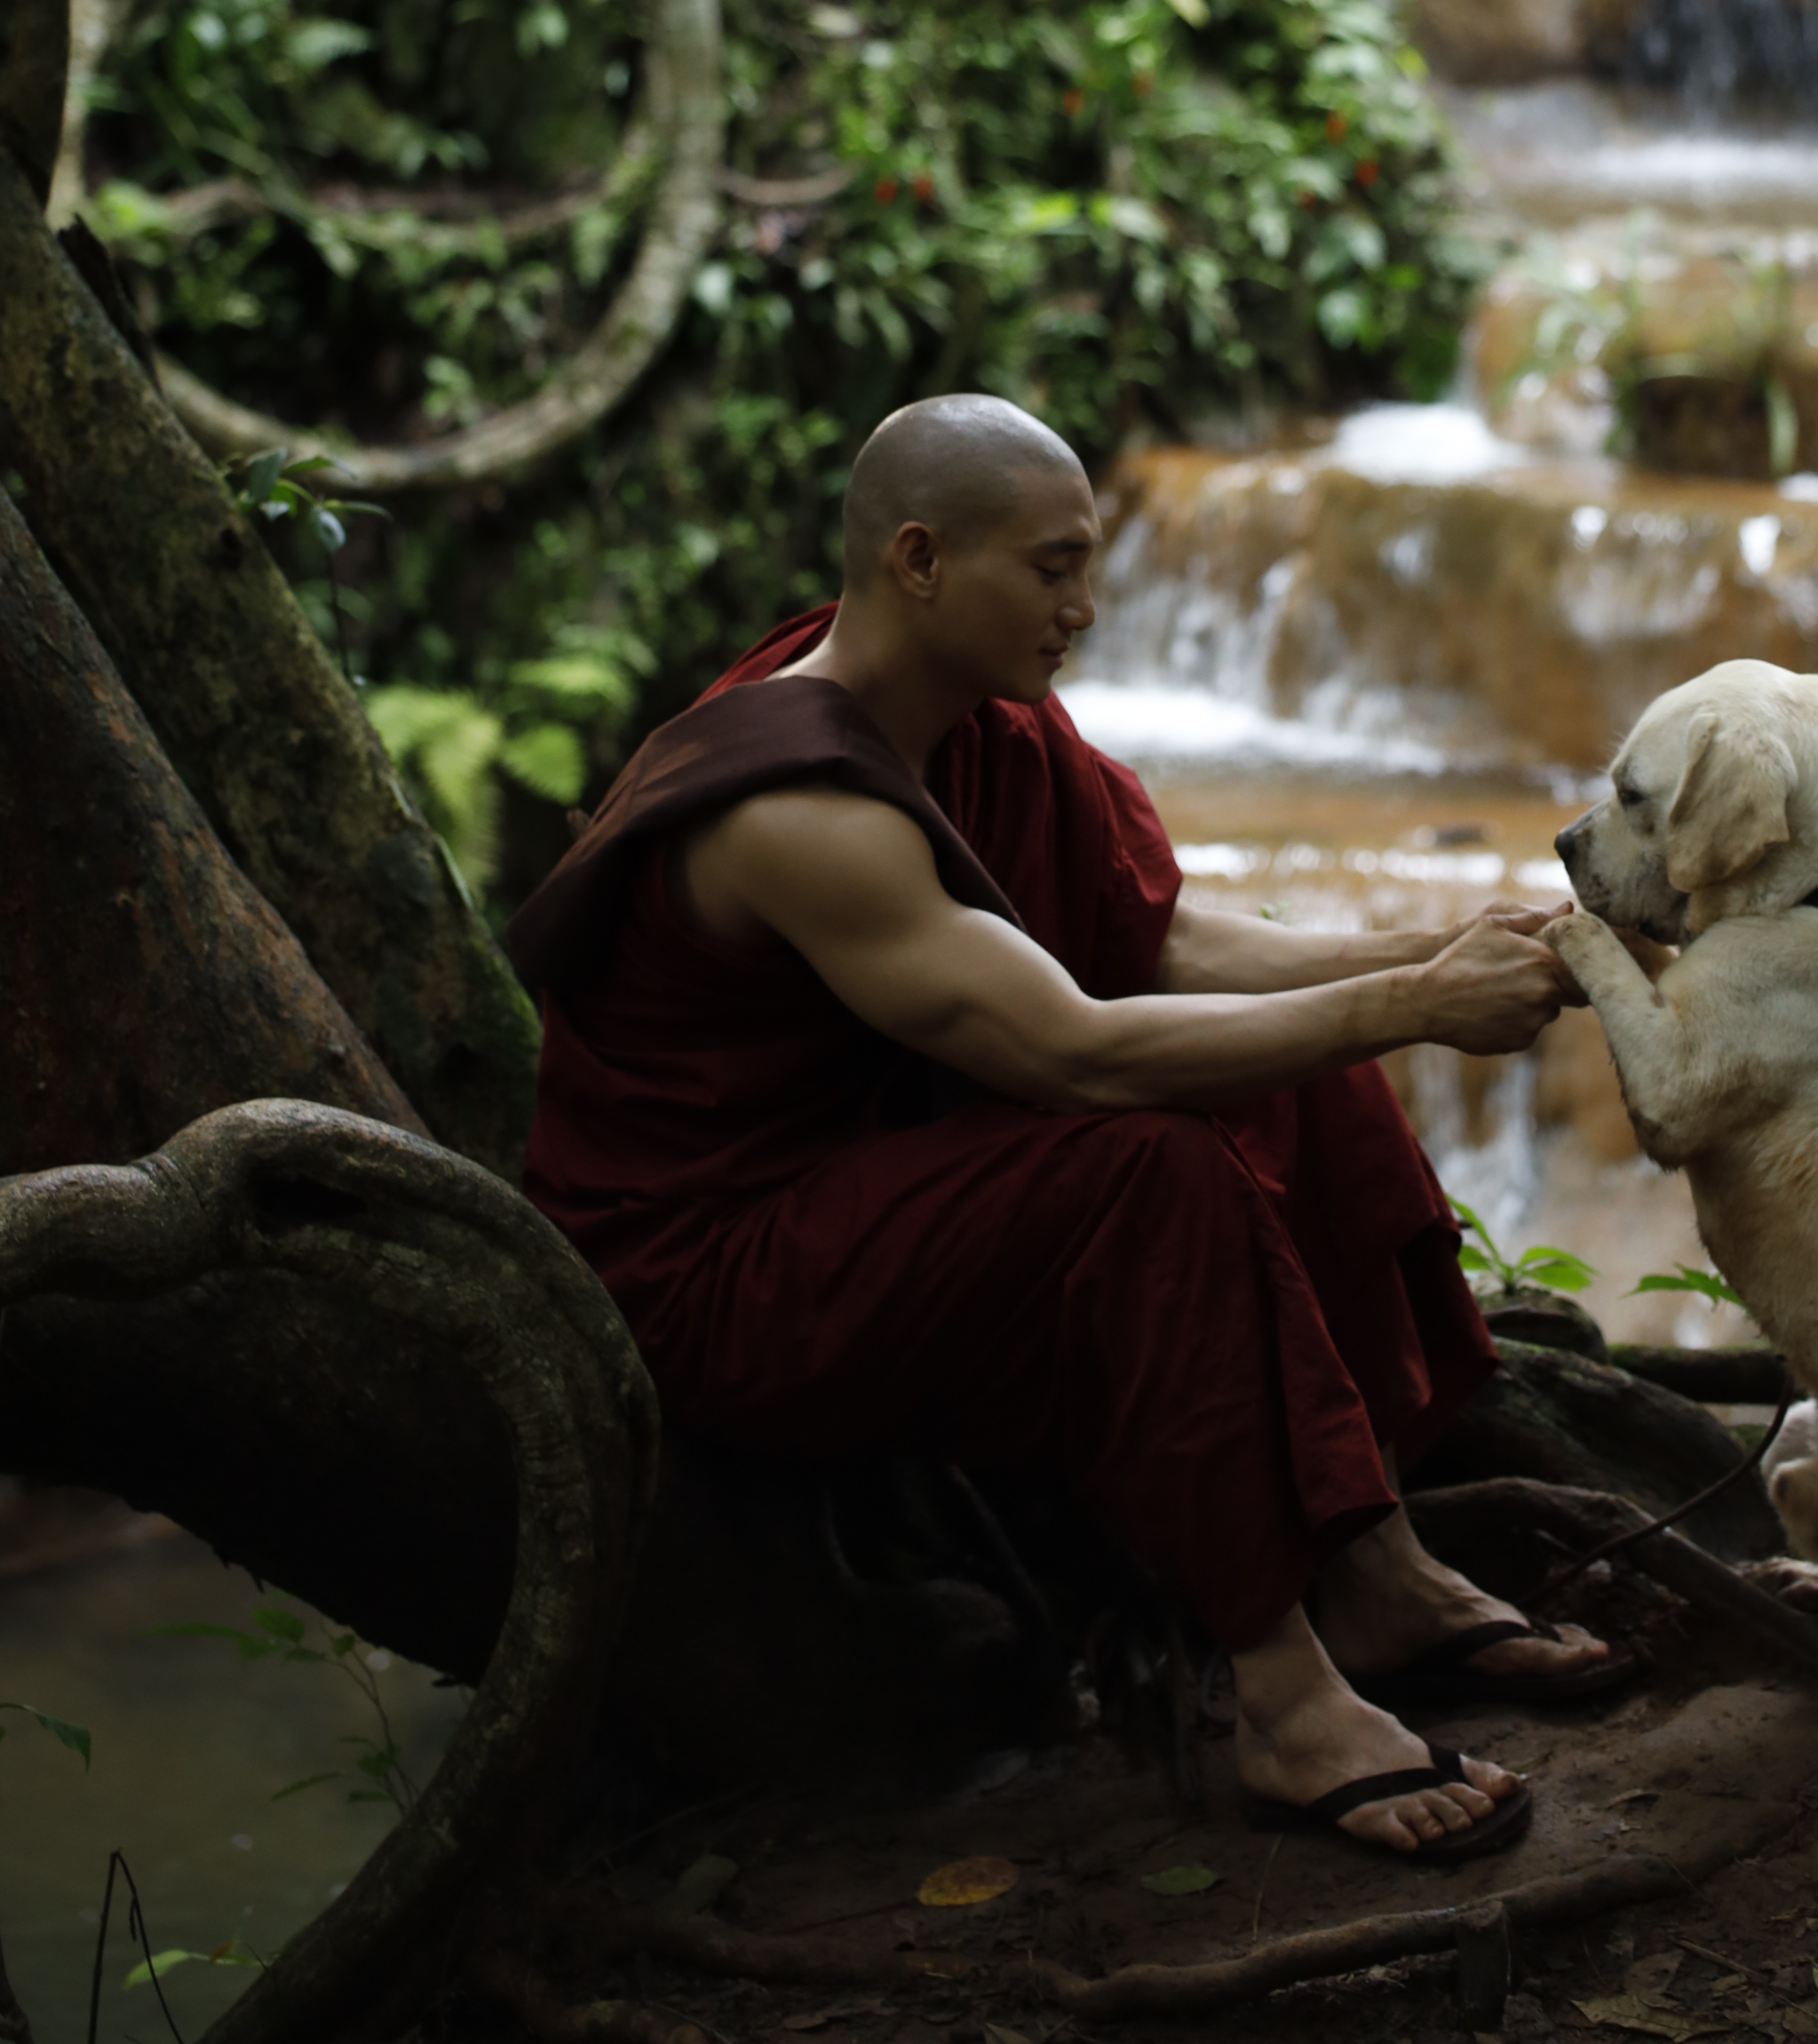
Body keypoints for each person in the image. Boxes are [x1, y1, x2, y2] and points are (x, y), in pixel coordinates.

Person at [511, 394, 1618, 1864]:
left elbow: (1141, 937)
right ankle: (1287, 1705)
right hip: (720, 1281)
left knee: (1304, 1070)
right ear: (918, 559)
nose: (1087, 609)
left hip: (870, 1180)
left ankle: (1384, 1571)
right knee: (1144, 1174)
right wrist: (1413, 1001)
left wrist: (1426, 954)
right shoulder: (797, 808)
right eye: (1052, 570)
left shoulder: (978, 719)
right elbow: (1077, 1053)